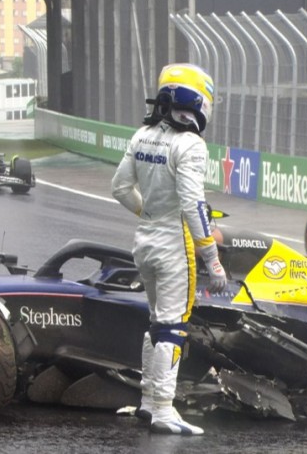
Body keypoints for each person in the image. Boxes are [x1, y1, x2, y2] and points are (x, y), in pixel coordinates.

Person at [111, 63, 227, 436]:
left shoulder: (141, 135)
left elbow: (119, 188)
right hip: (173, 244)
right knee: (173, 327)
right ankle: (163, 408)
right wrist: (212, 258)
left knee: (156, 323)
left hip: (143, 241)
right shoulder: (190, 144)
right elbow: (194, 205)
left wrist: (150, 215)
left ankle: (148, 402)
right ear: (197, 101)